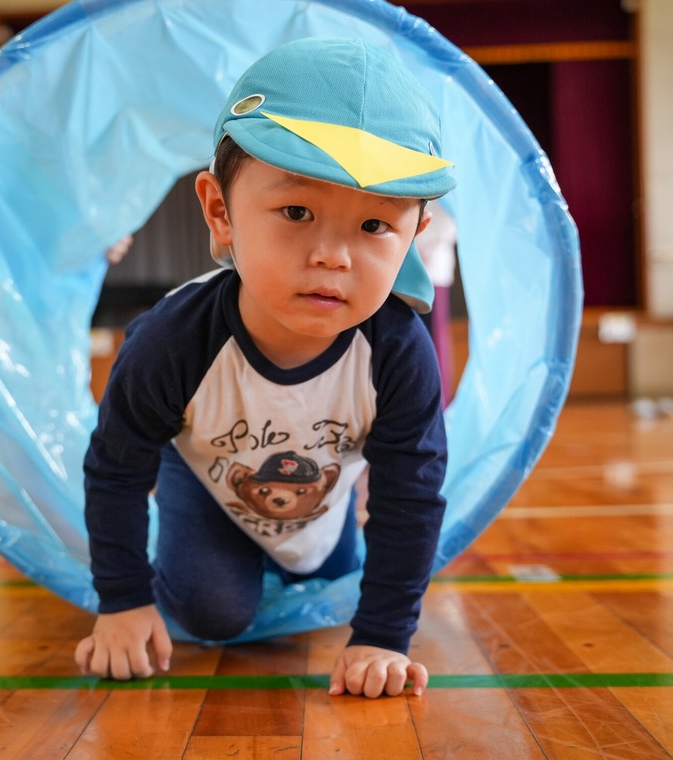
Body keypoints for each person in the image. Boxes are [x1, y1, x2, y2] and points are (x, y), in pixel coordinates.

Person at [74, 38, 452, 699]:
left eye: (374, 226)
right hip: (207, 475)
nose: (334, 256)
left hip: (320, 493)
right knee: (214, 613)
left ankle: (320, 543)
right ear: (220, 212)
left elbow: (411, 495)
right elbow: (115, 469)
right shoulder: (173, 340)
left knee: (329, 576)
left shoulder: (397, 350)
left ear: (413, 239)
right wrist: (123, 599)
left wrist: (382, 635)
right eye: (297, 212)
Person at [413, 200, 458, 406]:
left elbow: (449, 219)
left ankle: (436, 405)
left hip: (430, 271)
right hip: (407, 269)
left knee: (433, 343)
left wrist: (423, 248)